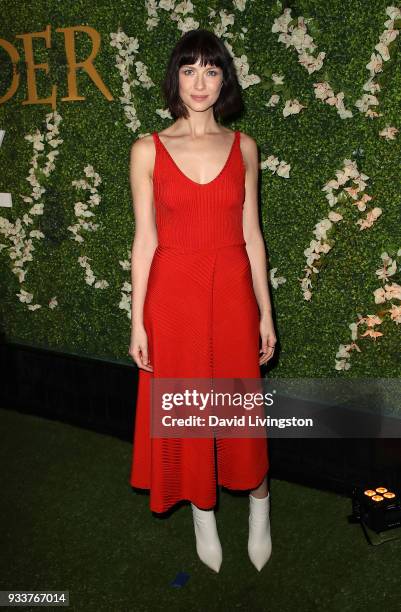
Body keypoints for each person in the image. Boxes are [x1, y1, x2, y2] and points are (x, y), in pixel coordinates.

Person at [128, 28, 277, 573]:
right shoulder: (147, 149)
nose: (200, 82)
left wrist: (265, 310)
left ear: (224, 79)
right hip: (172, 298)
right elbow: (144, 239)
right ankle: (203, 514)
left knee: (240, 407)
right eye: (189, 69)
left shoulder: (245, 148)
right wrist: (137, 321)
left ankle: (260, 506)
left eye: (211, 70)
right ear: (175, 78)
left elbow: (253, 235)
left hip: (233, 288)